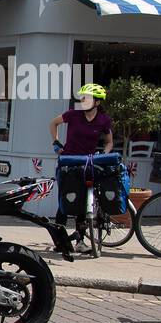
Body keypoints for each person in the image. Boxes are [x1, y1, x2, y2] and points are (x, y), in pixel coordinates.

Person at [49, 83, 114, 227]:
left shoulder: (104, 120)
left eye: (87, 99)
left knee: (84, 200)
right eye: (82, 98)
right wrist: (56, 143)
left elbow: (109, 142)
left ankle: (80, 239)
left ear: (97, 102)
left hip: (87, 163)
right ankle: (60, 238)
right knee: (66, 198)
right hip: (68, 160)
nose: (83, 101)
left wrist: (103, 154)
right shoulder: (73, 114)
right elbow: (53, 123)